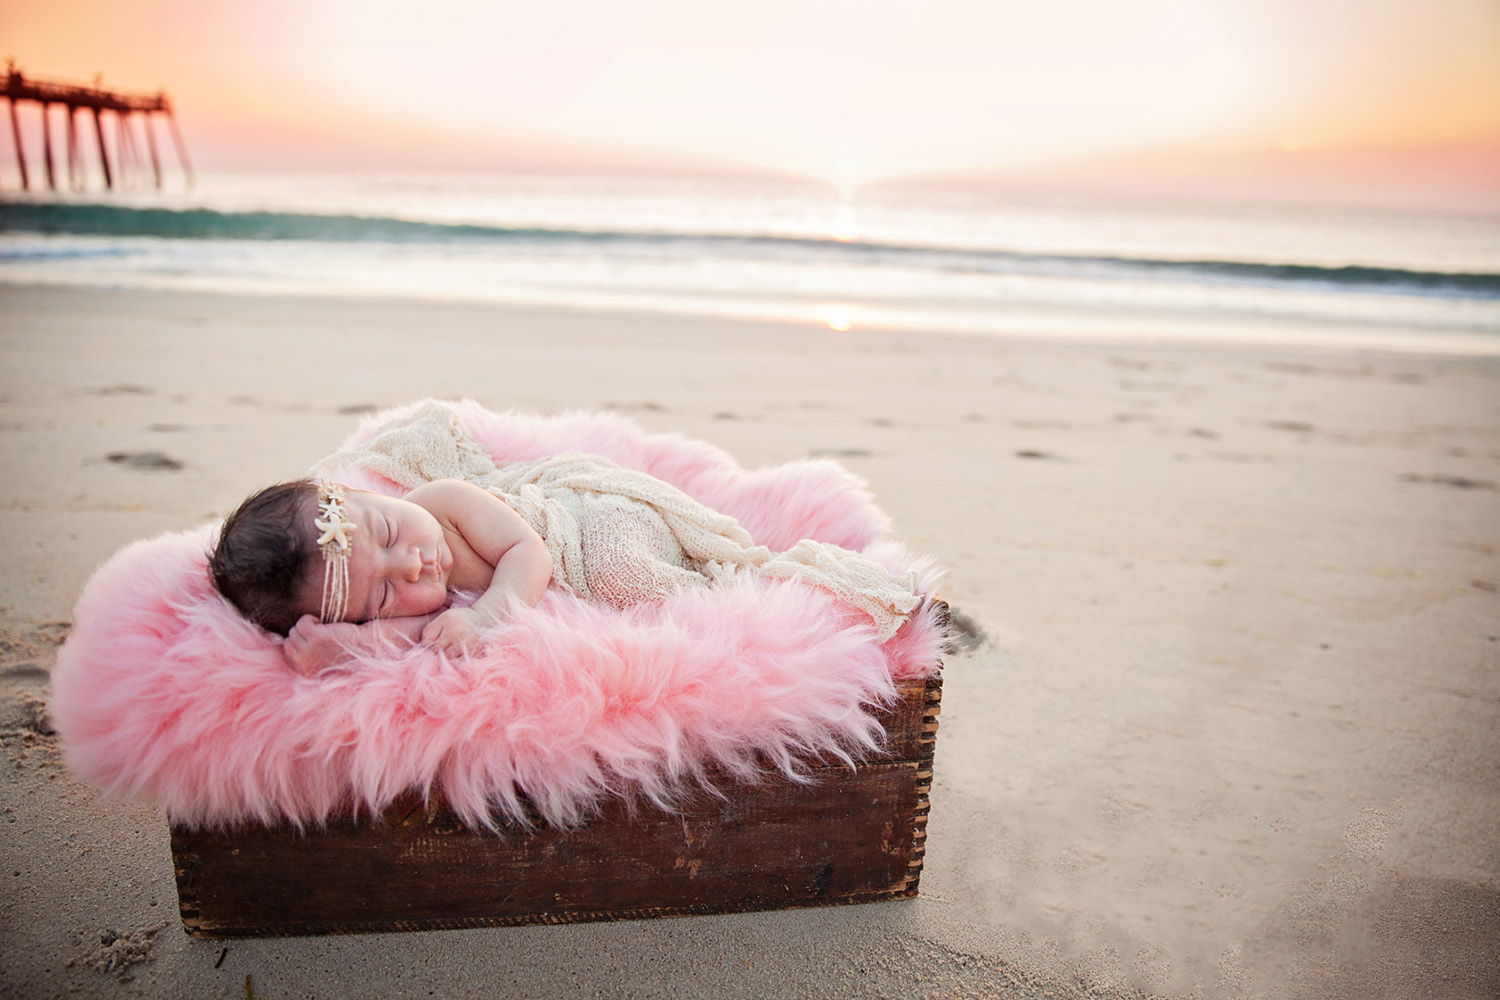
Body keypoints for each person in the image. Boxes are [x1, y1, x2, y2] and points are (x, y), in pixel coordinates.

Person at [210, 477, 553, 676]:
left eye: (388, 534)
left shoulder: (446, 502)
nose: (411, 566)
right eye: (384, 594)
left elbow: (529, 551)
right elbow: (429, 633)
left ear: (364, 493)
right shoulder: (408, 604)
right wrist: (354, 645)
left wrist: (483, 616)